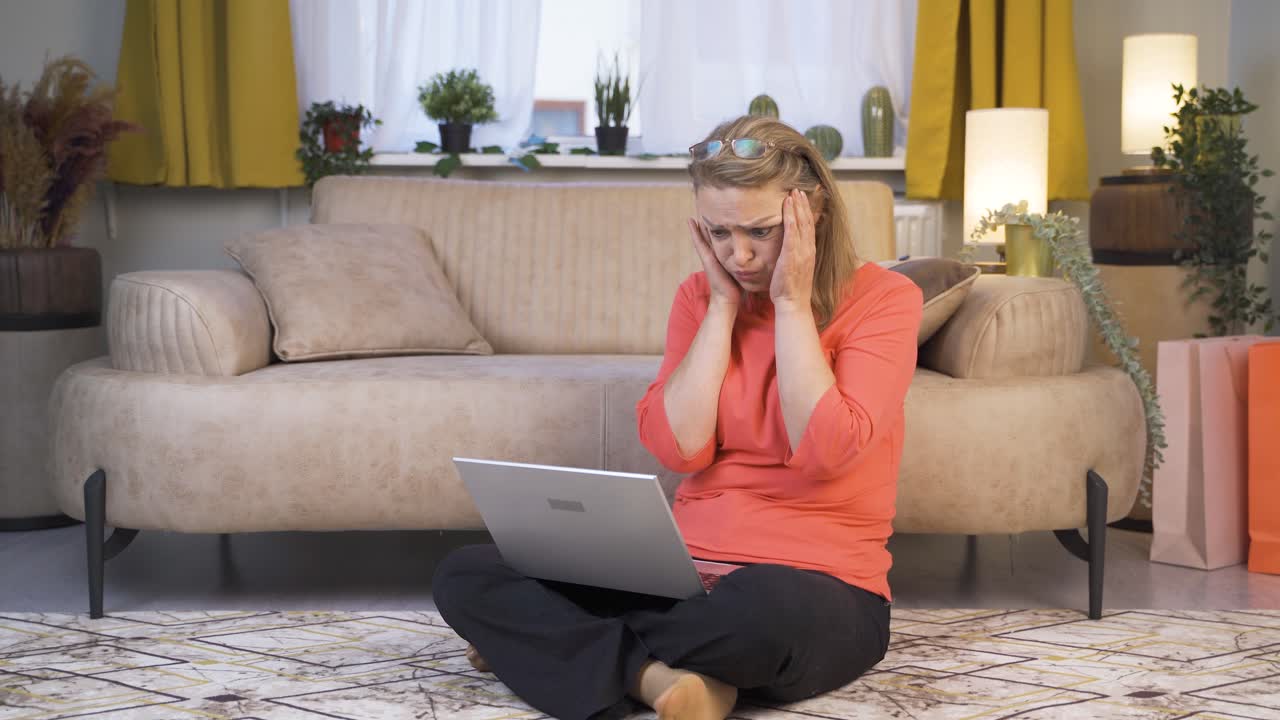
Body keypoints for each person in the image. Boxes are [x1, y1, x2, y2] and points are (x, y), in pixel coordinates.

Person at [432, 114, 922, 720]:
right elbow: (679, 449)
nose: (737, 254)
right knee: (468, 573)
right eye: (718, 233)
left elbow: (825, 448)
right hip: (681, 576)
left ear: (811, 213)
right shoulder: (699, 296)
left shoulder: (886, 300)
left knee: (757, 615)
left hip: (811, 585)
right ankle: (662, 681)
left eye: (761, 232)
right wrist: (721, 305)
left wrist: (791, 302)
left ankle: (556, 646)